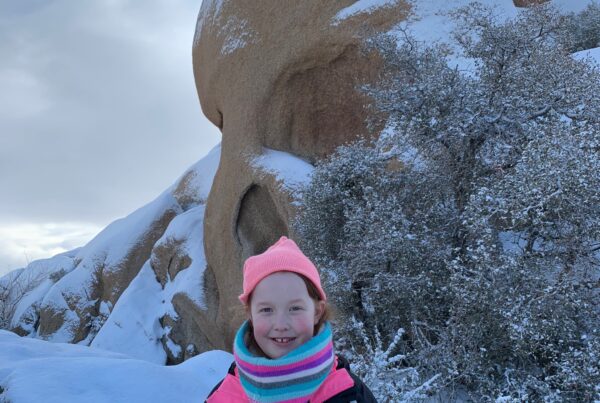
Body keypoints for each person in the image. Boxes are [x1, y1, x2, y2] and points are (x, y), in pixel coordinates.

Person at [205, 236, 377, 402]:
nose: (281, 325)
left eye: (295, 308)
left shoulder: (347, 393)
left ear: (317, 312)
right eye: (266, 309)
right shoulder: (224, 395)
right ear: (250, 314)